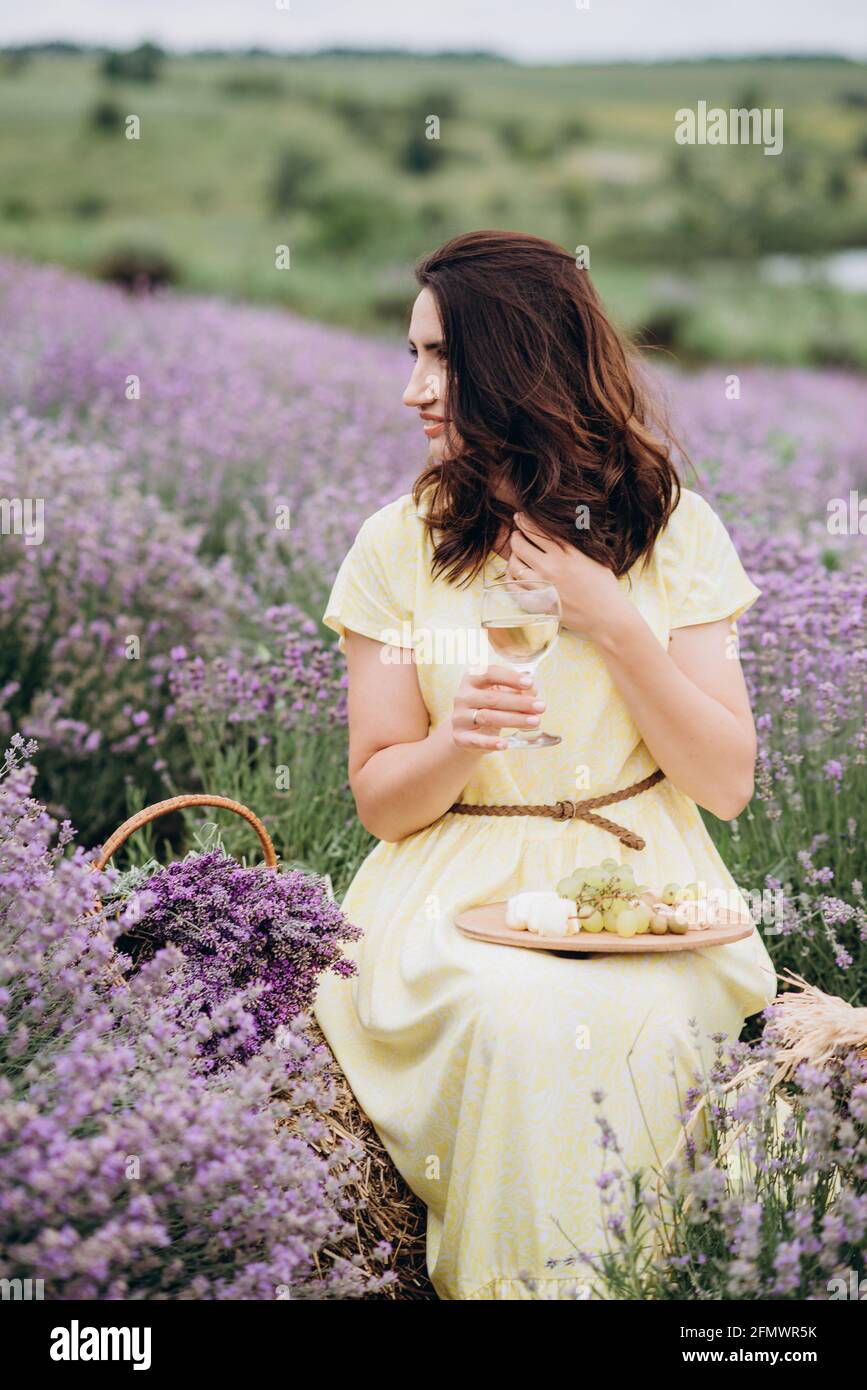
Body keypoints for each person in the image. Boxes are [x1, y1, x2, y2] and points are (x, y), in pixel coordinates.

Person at [314, 229, 776, 1301]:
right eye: (411, 355)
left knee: (640, 1028)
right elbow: (381, 800)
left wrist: (614, 622)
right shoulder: (398, 544)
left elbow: (727, 782)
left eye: (439, 359)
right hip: (450, 893)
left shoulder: (674, 534)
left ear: (518, 367)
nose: (411, 390)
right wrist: (457, 742)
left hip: (648, 886)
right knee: (517, 1020)